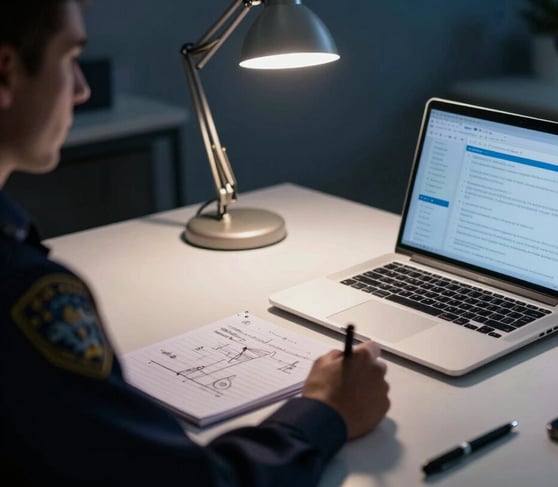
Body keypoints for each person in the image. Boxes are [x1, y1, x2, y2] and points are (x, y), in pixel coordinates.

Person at [0, 1, 390, 485]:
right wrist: (324, 411)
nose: (82, 89)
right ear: (6, 71)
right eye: (69, 58)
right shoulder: (22, 294)